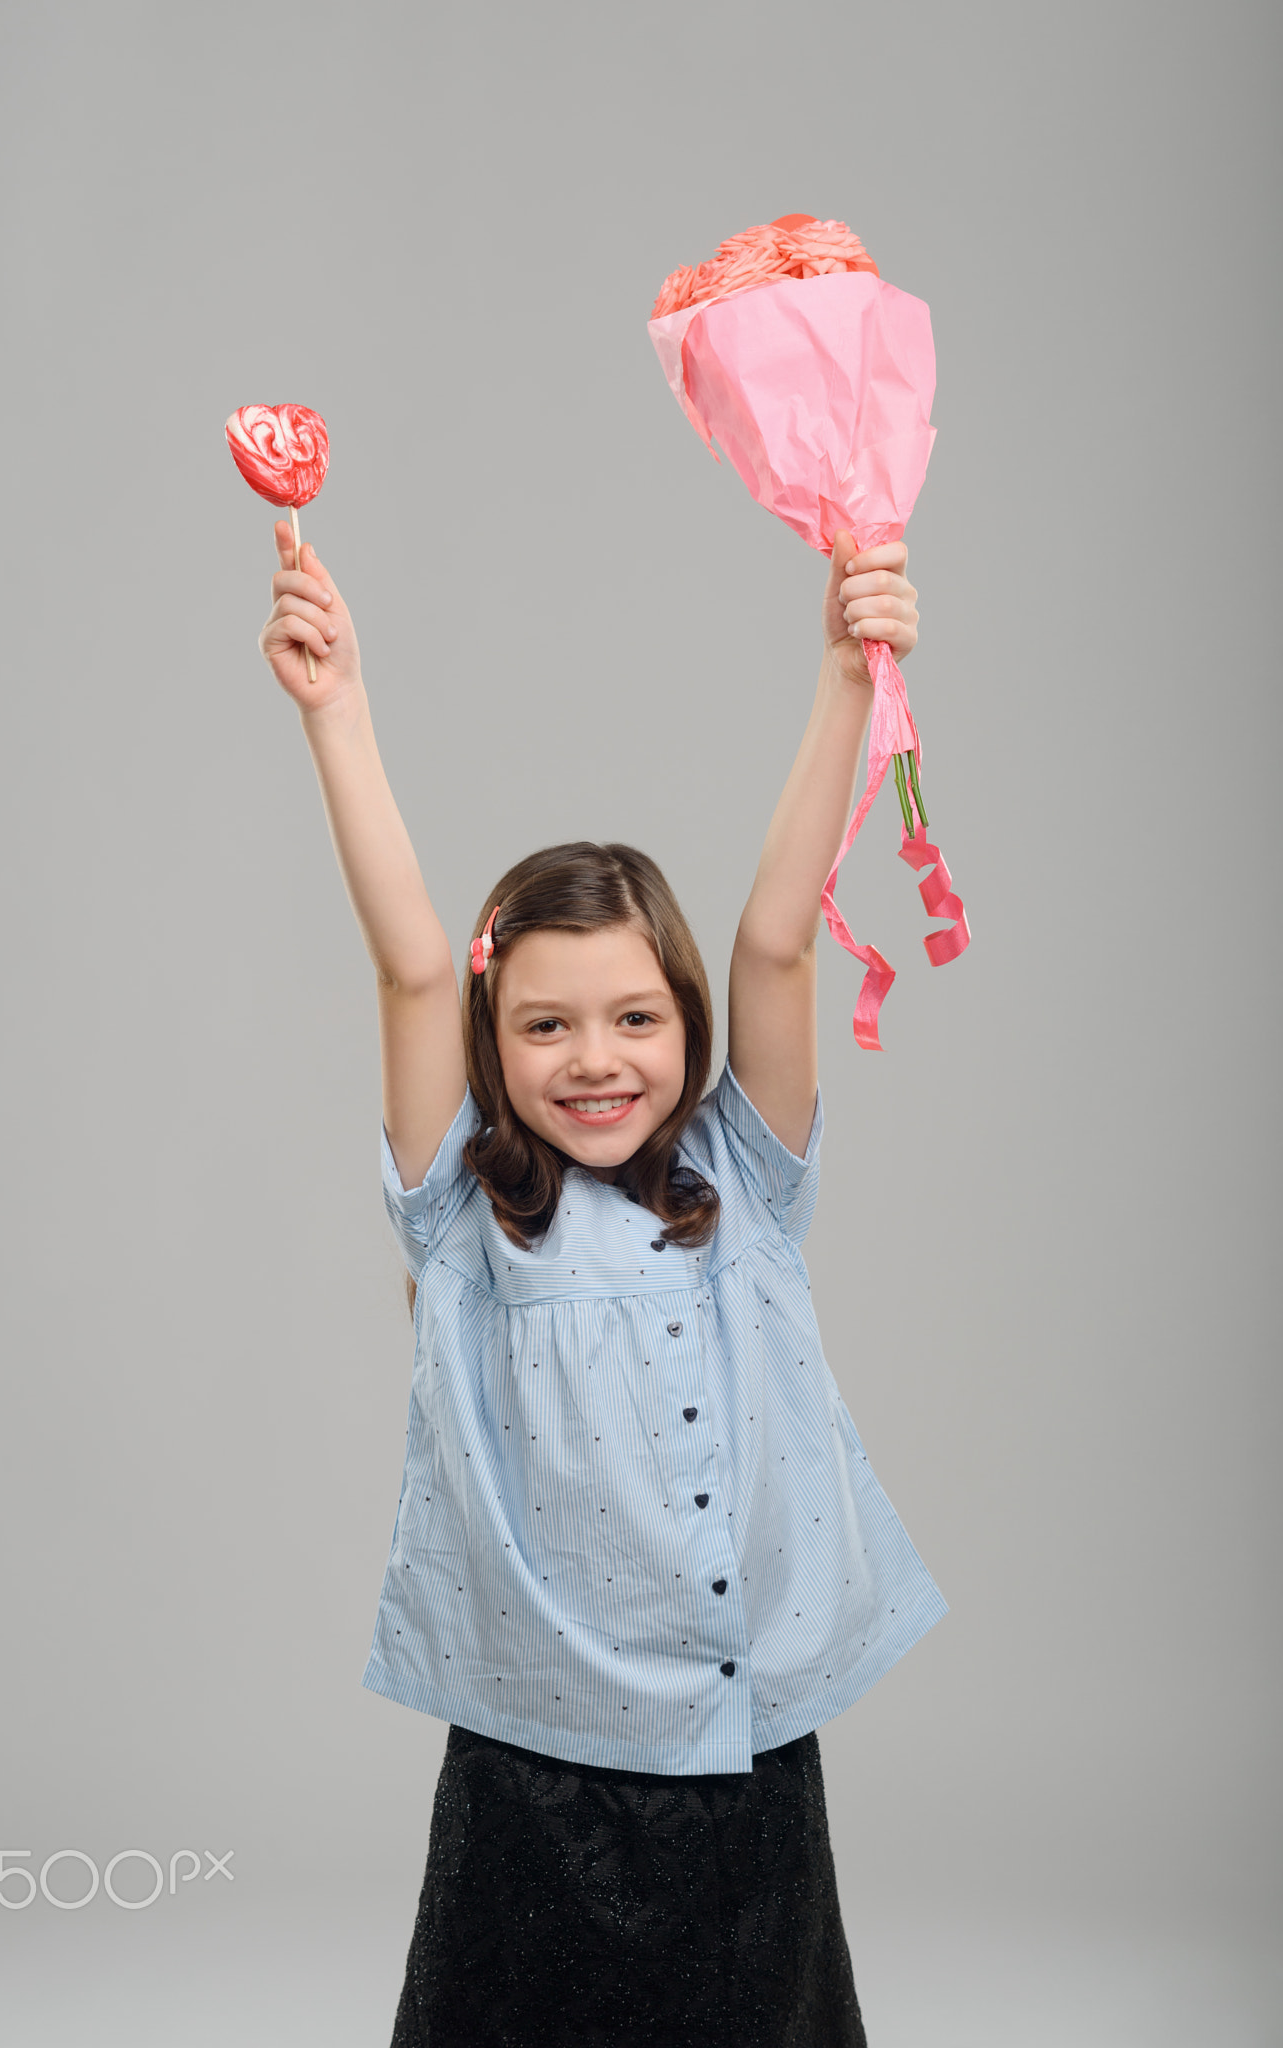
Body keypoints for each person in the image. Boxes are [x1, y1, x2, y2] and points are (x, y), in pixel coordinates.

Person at [256, 517, 947, 2047]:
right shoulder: (465, 1218)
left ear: (686, 1027)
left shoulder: (743, 1176)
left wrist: (846, 676)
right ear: (496, 1048)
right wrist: (338, 711)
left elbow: (779, 940)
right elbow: (415, 966)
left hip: (741, 1733)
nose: (596, 1061)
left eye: (635, 1018)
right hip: (538, 1757)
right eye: (548, 1027)